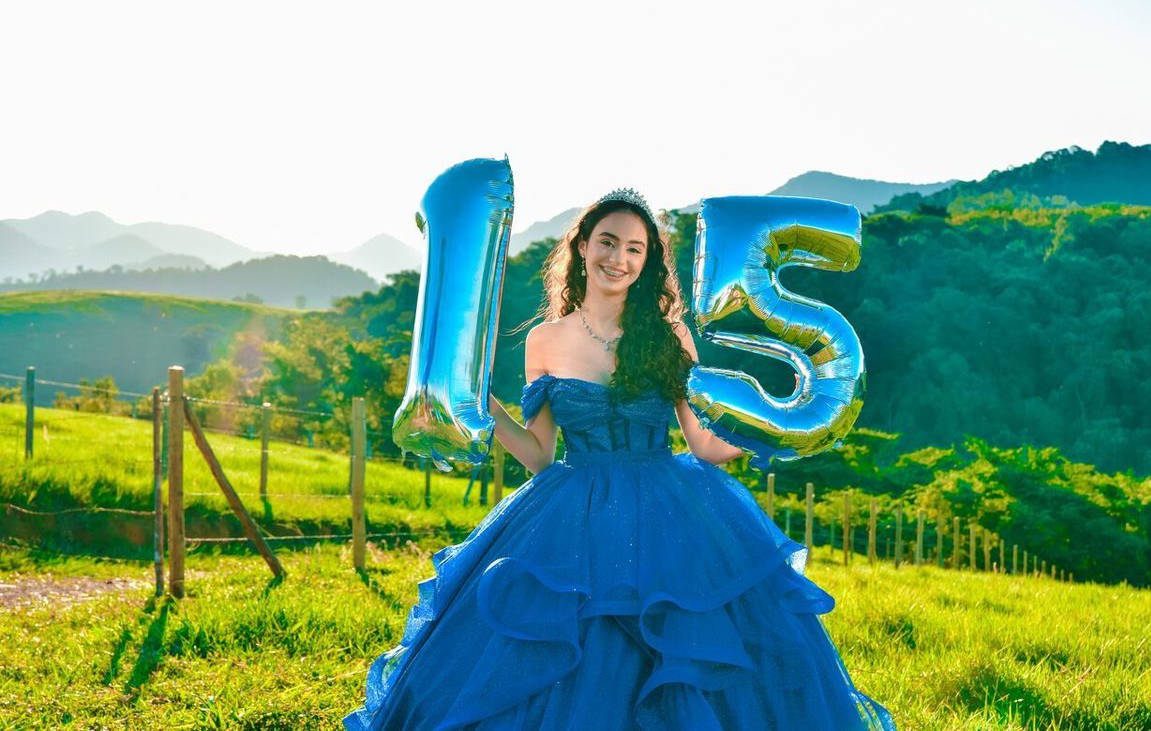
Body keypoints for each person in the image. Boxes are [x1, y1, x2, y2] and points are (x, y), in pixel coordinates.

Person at [344, 189, 896, 731]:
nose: (619, 258)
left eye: (635, 249)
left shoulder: (669, 333)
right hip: (570, 509)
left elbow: (702, 445)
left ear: (647, 261)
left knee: (692, 647)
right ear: (582, 246)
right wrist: (484, 401)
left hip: (669, 507)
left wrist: (775, 433)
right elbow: (539, 454)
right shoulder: (544, 340)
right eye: (608, 242)